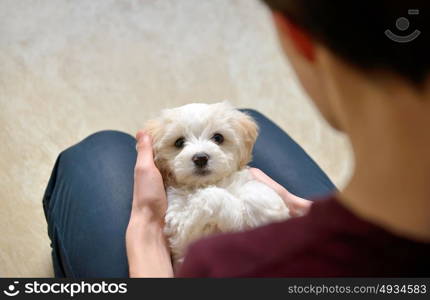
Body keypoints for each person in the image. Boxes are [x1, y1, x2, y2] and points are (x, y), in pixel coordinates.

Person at [43, 0, 430, 277]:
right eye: (179, 143)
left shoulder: (223, 265)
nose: (196, 153)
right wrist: (299, 208)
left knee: (97, 152)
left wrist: (145, 223)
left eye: (216, 139)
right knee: (252, 116)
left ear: (297, 36)